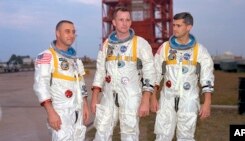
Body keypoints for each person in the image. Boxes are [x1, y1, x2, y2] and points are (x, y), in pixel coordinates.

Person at [90, 7, 156, 141]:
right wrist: (95, 96)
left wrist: (146, 99)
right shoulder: (107, 44)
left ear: (131, 22)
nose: (124, 23)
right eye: (121, 20)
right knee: (101, 132)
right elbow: (101, 70)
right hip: (109, 96)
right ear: (114, 22)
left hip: (131, 96)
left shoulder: (141, 44)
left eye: (127, 20)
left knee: (129, 134)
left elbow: (150, 72)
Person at [151, 12, 214, 141]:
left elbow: (207, 78)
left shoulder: (200, 51)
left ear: (189, 27)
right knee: (162, 136)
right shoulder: (165, 48)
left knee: (186, 137)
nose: (174, 28)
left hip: (189, 99)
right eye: (173, 25)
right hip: (167, 99)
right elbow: (156, 74)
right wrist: (153, 97)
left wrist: (207, 102)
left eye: (178, 25)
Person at [33, 20, 89, 141]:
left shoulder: (75, 60)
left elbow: (81, 83)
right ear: (57, 33)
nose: (71, 35)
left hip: (77, 111)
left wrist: (85, 104)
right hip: (60, 113)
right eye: (67, 31)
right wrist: (50, 112)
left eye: (73, 32)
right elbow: (40, 86)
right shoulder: (47, 56)